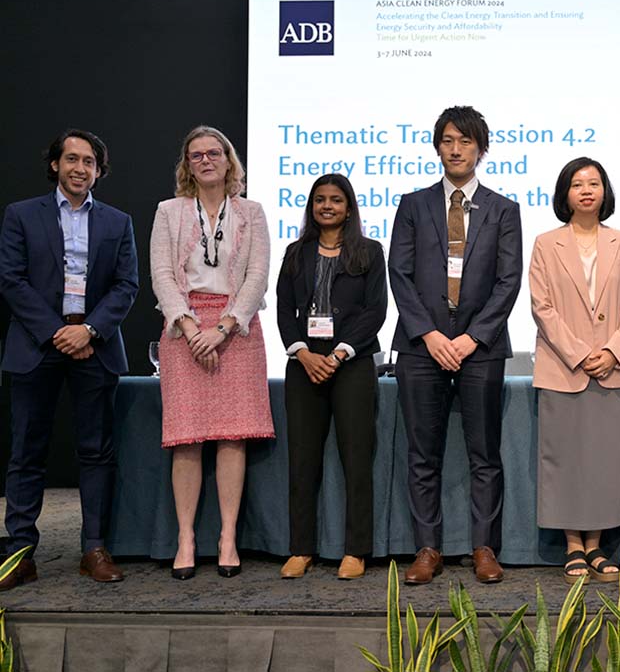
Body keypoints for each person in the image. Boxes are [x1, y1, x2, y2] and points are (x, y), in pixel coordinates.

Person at [389, 106, 522, 585]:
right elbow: (399, 275)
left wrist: (469, 338)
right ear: (437, 147)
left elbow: (508, 282)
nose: (456, 149)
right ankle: (428, 549)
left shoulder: (504, 209)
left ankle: (484, 548)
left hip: (479, 347)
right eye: (447, 140)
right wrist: (429, 333)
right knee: (423, 454)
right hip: (421, 346)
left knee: (484, 454)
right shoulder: (413, 204)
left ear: (480, 149)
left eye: (465, 141)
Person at [0, 129, 138, 589]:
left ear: (99, 170)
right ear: (56, 164)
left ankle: (94, 548)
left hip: (93, 346)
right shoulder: (21, 215)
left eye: (90, 162)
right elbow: (12, 279)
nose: (80, 168)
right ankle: (19, 551)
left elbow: (126, 285)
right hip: (38, 345)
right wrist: (57, 332)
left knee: (97, 453)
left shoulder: (118, 222)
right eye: (72, 159)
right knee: (26, 452)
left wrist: (89, 329)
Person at [149, 126, 273, 580]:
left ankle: (227, 537)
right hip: (183, 330)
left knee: (231, 436)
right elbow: (161, 274)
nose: (206, 160)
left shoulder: (252, 212)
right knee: (186, 438)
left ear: (228, 160)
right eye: (196, 154)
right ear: (187, 164)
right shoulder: (169, 211)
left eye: (214, 152)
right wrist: (188, 325)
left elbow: (257, 276)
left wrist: (221, 329)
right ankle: (186, 538)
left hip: (236, 330)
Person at [528, 157, 620, 583]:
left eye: (594, 183)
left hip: (614, 369)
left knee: (604, 461)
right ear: (565, 194)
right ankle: (572, 545)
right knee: (566, 460)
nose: (587, 190)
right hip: (564, 368)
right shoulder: (545, 243)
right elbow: (543, 307)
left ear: (605, 191)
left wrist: (612, 352)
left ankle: (596, 546)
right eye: (577, 184)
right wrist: (580, 354)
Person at [277, 174, 387, 580]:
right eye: (320, 199)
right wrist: (303, 353)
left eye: (336, 200)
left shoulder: (370, 252)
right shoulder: (295, 252)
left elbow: (375, 312)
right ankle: (300, 549)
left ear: (349, 207)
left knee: (357, 459)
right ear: (311, 206)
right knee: (302, 461)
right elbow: (284, 312)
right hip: (304, 365)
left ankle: (356, 551)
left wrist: (338, 354)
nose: (327, 206)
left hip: (352, 365)